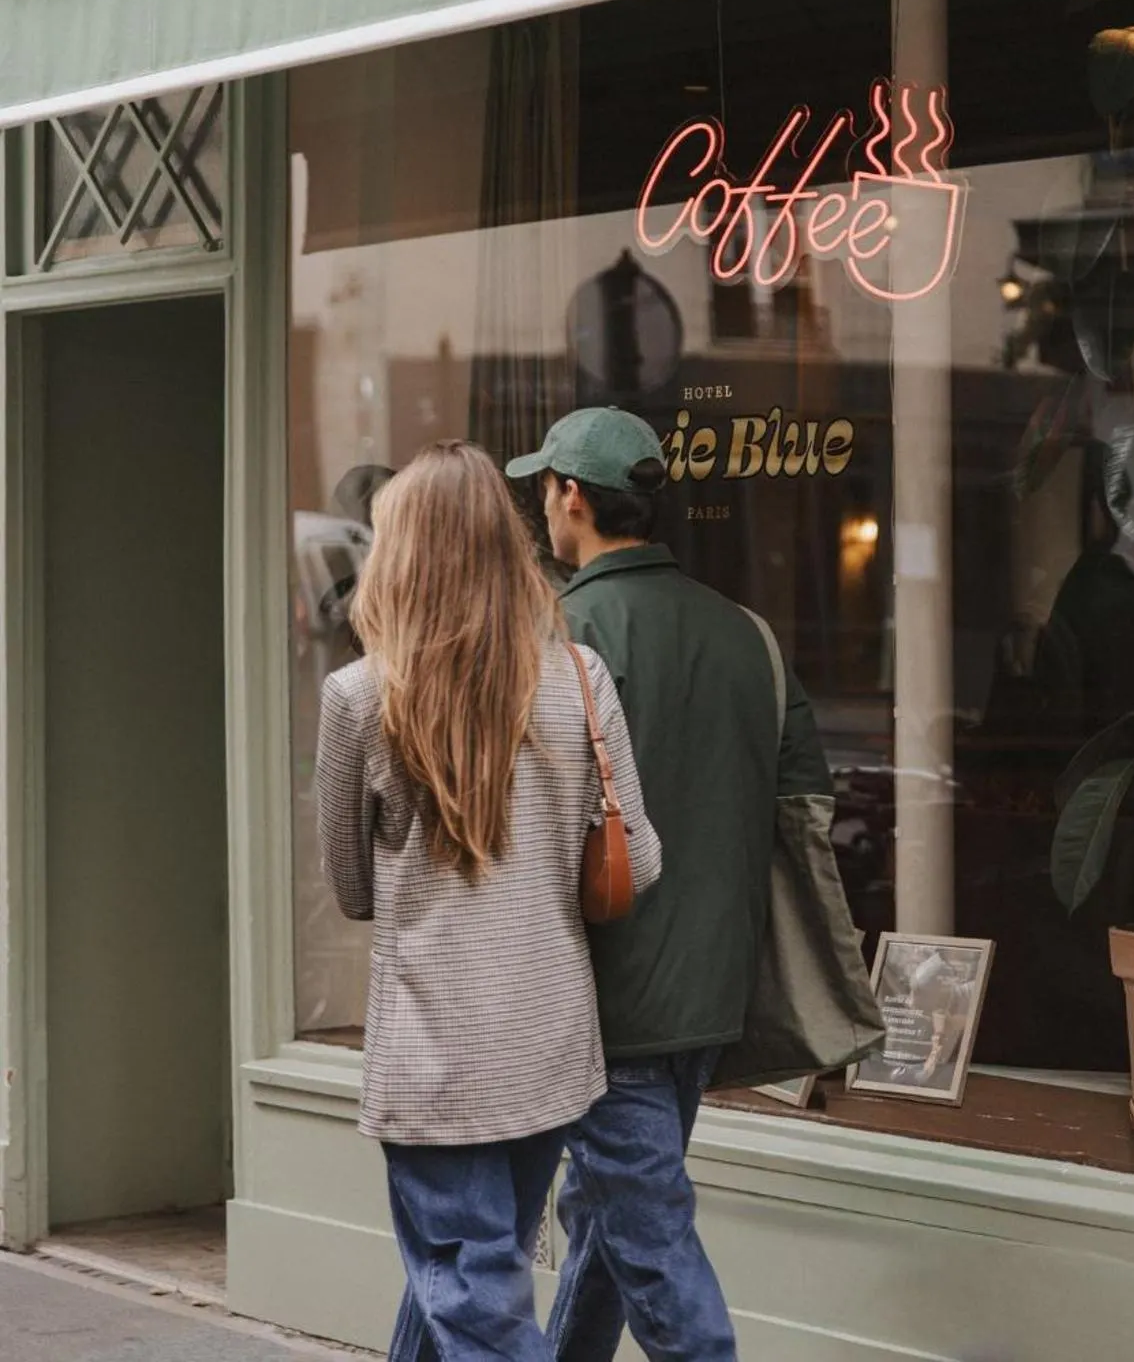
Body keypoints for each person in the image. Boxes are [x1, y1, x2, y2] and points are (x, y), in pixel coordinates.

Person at [316, 440, 661, 1362]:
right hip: (548, 1043)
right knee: (477, 1274)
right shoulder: (579, 679)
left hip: (436, 1054)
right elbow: (646, 860)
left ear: (401, 552)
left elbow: (352, 890)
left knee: (472, 1297)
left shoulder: (357, 697)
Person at [506, 407, 832, 1362]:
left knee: (648, 1239)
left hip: (606, 998)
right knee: (612, 1213)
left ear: (571, 496)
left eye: (545, 491)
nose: (542, 511)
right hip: (715, 991)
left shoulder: (562, 638)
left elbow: (520, 829)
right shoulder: (751, 636)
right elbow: (804, 812)